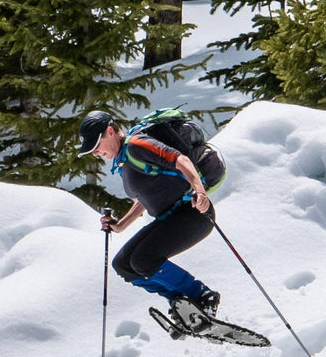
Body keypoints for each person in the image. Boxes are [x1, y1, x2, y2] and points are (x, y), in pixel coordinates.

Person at [78, 109, 221, 320]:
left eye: (96, 145)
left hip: (192, 214)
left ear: (110, 131)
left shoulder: (137, 145)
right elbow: (146, 197)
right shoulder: (125, 160)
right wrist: (120, 225)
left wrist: (200, 192)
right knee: (123, 265)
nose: (95, 153)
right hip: (171, 218)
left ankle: (202, 296)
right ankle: (181, 304)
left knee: (143, 260)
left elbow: (181, 160)